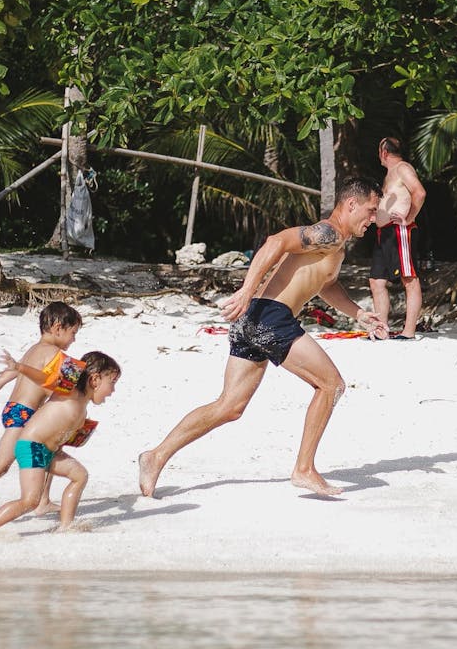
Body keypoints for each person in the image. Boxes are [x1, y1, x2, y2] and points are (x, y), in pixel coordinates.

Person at [138, 176, 387, 499]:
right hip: (270, 316)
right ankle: (304, 469)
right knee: (331, 385)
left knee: (229, 406)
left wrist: (359, 314)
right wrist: (246, 289)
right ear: (351, 204)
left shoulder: (335, 246)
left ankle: (155, 456)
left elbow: (325, 285)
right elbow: (275, 242)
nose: (373, 218)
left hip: (254, 318)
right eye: (370, 210)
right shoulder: (328, 233)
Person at [0, 301, 81, 526]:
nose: (74, 339)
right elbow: (65, 385)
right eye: (73, 333)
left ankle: (43, 501)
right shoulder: (54, 354)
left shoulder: (33, 350)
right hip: (23, 413)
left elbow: (7, 375)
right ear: (58, 328)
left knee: (51, 448)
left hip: (16, 410)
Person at [0, 351, 121, 543]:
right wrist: (19, 367)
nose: (113, 390)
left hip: (50, 452)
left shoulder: (82, 407)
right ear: (95, 380)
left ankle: (66, 525)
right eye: (112, 382)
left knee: (80, 476)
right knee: (30, 500)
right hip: (32, 447)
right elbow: (46, 379)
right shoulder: (68, 391)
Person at [369, 137, 428, 339]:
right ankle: (382, 329)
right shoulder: (390, 174)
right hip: (384, 233)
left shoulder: (403, 168)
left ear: (384, 153)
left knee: (409, 278)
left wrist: (409, 217)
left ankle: (409, 331)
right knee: (376, 281)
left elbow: (419, 193)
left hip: (399, 230)